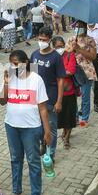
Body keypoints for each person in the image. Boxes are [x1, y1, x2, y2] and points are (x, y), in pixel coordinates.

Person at [0, 50, 51, 195]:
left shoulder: (36, 79)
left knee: (33, 161)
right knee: (15, 159)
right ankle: (16, 191)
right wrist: (6, 82)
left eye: (16, 63)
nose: (14, 66)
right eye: (11, 63)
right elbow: (2, 101)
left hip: (31, 128)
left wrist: (47, 131)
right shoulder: (10, 78)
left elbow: (43, 108)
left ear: (26, 62)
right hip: (12, 126)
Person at [30, 27, 66, 161]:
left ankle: (50, 154)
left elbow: (60, 80)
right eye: (39, 39)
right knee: (38, 125)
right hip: (35, 98)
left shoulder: (56, 57)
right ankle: (42, 144)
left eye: (44, 40)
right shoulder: (34, 55)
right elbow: (31, 76)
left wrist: (59, 101)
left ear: (50, 39)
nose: (41, 42)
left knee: (51, 128)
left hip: (50, 98)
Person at [71, 21, 97, 128]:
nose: (78, 28)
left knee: (85, 97)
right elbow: (67, 55)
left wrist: (79, 49)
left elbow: (93, 56)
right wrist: (72, 49)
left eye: (80, 26)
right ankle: (75, 118)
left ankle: (84, 119)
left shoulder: (90, 40)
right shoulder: (72, 39)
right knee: (73, 96)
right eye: (77, 26)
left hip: (87, 71)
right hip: (73, 71)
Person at [54, 36, 77, 149]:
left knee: (69, 116)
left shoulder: (70, 55)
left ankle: (67, 138)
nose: (60, 48)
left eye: (61, 46)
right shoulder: (52, 57)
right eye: (57, 46)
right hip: (57, 92)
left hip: (69, 91)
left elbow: (71, 71)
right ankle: (64, 132)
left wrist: (57, 73)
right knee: (61, 116)